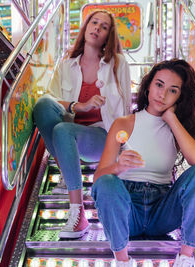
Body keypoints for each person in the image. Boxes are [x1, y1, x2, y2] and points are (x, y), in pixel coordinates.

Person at [92, 59, 195, 267]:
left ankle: (185, 258)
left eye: (173, 90)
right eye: (159, 85)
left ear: (179, 97)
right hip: (128, 211)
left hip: (162, 212)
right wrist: (118, 167)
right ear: (149, 85)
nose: (163, 94)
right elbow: (97, 179)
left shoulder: (177, 128)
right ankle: (122, 261)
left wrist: (171, 119)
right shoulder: (123, 123)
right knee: (106, 182)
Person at [33, 10, 131, 239]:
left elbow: (125, 109)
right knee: (42, 105)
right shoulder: (67, 65)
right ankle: (70, 178)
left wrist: (122, 148)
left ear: (109, 35)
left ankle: (78, 213)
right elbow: (53, 99)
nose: (97, 28)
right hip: (69, 132)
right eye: (94, 22)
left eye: (104, 26)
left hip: (102, 136)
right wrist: (79, 106)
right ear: (86, 27)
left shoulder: (118, 64)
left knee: (62, 129)